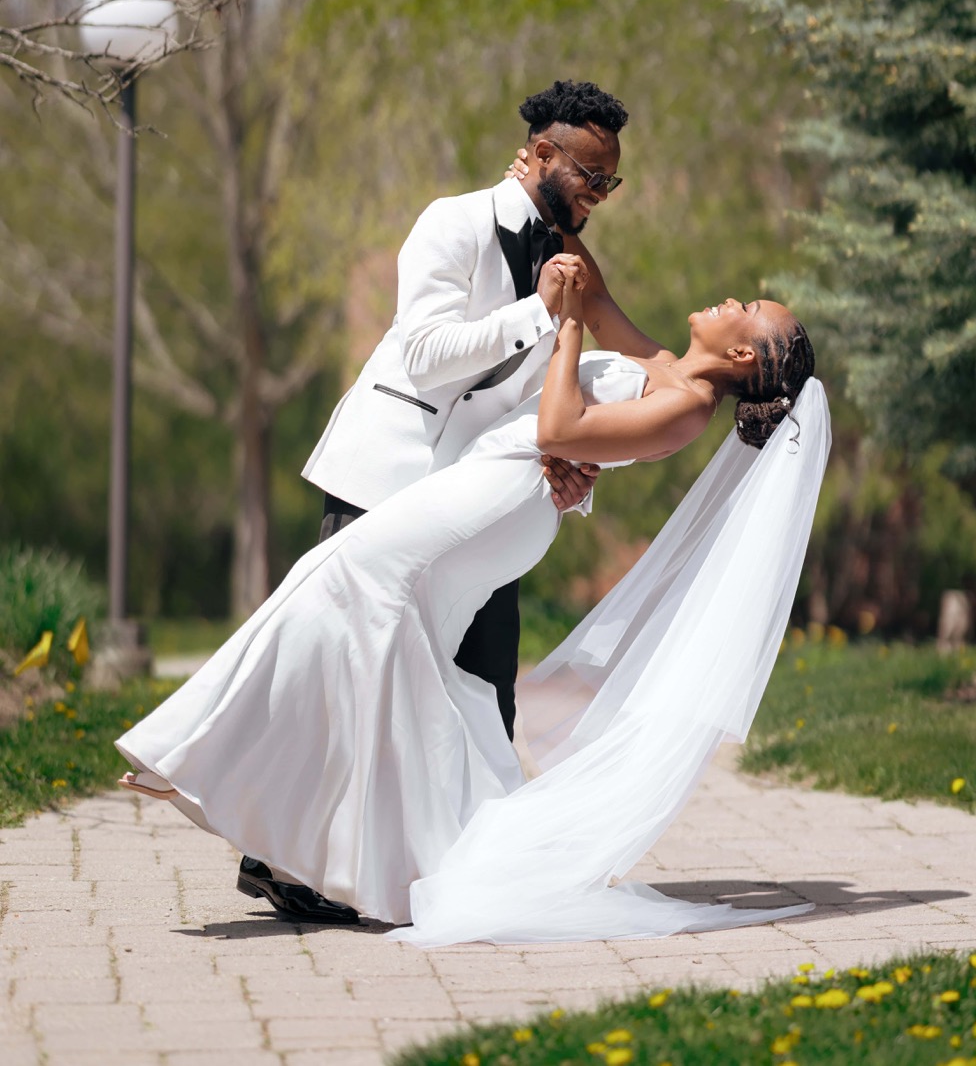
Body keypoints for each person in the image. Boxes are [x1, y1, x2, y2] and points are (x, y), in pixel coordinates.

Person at [117, 264, 830, 944]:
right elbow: (595, 291)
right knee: (388, 640)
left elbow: (557, 430)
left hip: (505, 497)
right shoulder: (664, 364)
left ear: (740, 351)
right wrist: (556, 218)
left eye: (748, 309)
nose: (733, 296)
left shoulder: (687, 409)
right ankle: (387, 852)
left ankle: (194, 753)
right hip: (496, 482)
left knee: (341, 579)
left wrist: (570, 328)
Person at [239, 79, 635, 922]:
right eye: (589, 175)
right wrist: (539, 312)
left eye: (610, 182)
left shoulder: (567, 263)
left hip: (477, 504)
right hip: (385, 484)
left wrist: (570, 469)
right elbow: (423, 355)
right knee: (345, 674)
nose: (598, 195)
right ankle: (279, 859)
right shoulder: (451, 222)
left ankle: (469, 867)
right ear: (538, 154)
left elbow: (543, 396)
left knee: (488, 679)